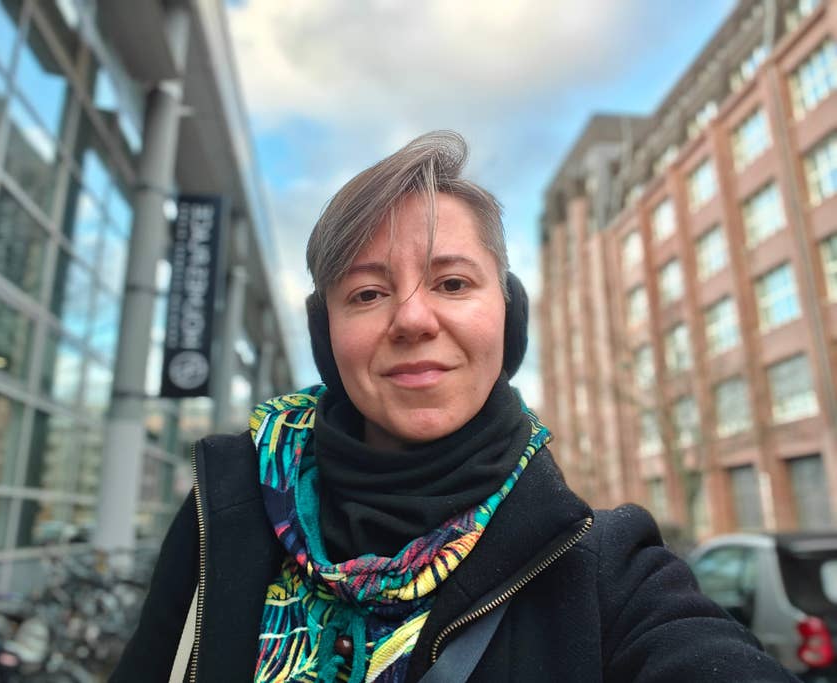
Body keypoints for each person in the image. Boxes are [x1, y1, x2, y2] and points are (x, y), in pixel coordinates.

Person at [111, 131, 798, 682]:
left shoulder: (603, 567)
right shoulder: (225, 504)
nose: (412, 317)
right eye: (368, 293)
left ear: (509, 318)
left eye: (452, 281)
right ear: (328, 337)